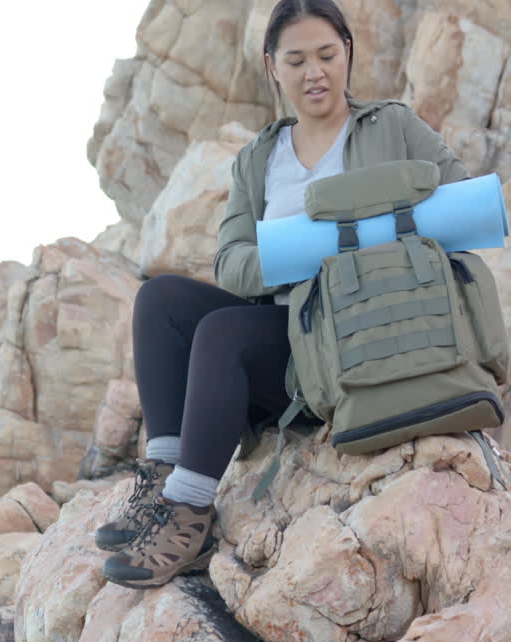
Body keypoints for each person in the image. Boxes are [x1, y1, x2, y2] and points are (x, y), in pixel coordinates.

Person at [96, 0, 468, 589]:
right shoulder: (259, 158)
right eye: (296, 60)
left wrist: (363, 242)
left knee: (224, 332)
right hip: (285, 336)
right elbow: (231, 263)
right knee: (160, 300)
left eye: (326, 55)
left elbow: (462, 206)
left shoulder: (391, 127)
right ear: (273, 67)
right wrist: (317, 248)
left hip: (358, 338)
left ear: (348, 52)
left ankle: (192, 517)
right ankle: (165, 486)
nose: (314, 72)